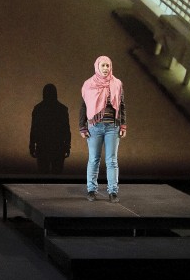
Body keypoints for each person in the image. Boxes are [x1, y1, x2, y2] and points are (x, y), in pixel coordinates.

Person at [79, 56, 126, 202]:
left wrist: (123, 125)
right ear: (97, 67)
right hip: (95, 126)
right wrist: (82, 127)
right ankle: (91, 190)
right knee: (94, 159)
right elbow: (84, 106)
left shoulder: (117, 83)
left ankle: (113, 192)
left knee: (112, 160)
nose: (105, 68)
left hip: (112, 126)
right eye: (103, 65)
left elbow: (122, 105)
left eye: (108, 65)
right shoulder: (89, 84)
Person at [30, 83, 71, 175]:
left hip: (42, 146)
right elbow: (66, 130)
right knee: (57, 174)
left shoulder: (38, 109)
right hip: (58, 146)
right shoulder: (62, 109)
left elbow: (34, 129)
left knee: (43, 174)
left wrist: (32, 146)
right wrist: (67, 146)